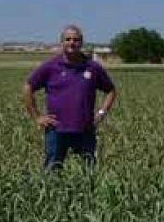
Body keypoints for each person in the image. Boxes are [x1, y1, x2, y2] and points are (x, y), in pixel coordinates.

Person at [23, 24, 116, 170]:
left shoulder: (92, 67)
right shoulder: (51, 66)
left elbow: (110, 90)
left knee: (88, 172)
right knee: (51, 171)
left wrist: (101, 113)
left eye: (76, 39)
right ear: (62, 42)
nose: (72, 43)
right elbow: (28, 87)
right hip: (56, 130)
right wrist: (37, 117)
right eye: (68, 39)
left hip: (85, 130)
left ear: (81, 43)